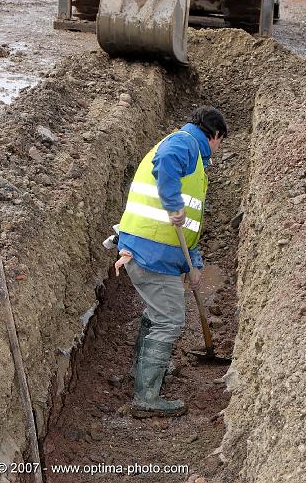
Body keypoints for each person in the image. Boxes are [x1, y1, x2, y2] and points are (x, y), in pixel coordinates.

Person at [115, 106, 227, 417]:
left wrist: (193, 260)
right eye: (221, 142)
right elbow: (165, 166)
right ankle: (147, 397)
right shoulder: (186, 144)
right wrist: (173, 203)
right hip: (150, 252)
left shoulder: (187, 146)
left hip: (151, 248)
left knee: (159, 312)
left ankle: (143, 371)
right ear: (214, 135)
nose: (218, 149)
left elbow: (188, 224)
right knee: (170, 318)